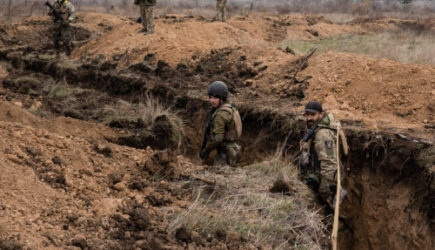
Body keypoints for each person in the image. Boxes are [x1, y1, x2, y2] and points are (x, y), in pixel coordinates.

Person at [297, 101, 348, 208]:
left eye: (312, 114)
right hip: (323, 176)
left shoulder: (323, 134)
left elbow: (330, 164)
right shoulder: (317, 127)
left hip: (328, 182)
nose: (309, 118)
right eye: (307, 115)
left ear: (321, 114)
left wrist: (325, 190)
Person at [200, 81, 242, 167]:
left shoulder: (220, 114)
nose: (212, 100)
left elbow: (218, 139)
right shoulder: (231, 107)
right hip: (234, 149)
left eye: (215, 98)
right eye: (210, 97)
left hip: (224, 154)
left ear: (222, 98)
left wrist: (205, 151)